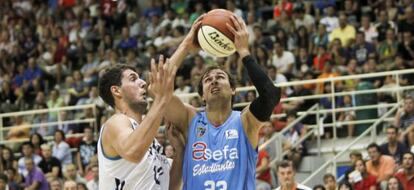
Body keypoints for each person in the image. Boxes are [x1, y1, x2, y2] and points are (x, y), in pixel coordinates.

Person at [162, 15, 280, 189]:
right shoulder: (190, 118)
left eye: (220, 77)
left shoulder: (245, 121)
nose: (214, 81)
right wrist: (186, 45)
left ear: (233, 89)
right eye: (208, 79)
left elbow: (270, 95)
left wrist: (244, 53)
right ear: (202, 95)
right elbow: (157, 89)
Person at [97, 56, 184, 189]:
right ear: (116, 90)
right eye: (133, 79)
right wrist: (161, 99)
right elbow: (133, 152)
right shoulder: (115, 122)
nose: (143, 82)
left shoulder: (150, 141)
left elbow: (169, 186)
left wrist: (180, 151)